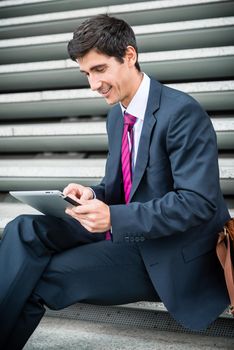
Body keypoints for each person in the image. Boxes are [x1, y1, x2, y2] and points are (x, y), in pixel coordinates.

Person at [0, 14, 231, 349]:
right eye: (86, 74)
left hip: (165, 250)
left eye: (99, 70)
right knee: (23, 227)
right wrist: (92, 193)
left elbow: (197, 202)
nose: (93, 84)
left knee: (40, 277)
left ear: (129, 56)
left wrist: (114, 217)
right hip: (125, 228)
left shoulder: (182, 113)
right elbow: (122, 186)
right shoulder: (117, 115)